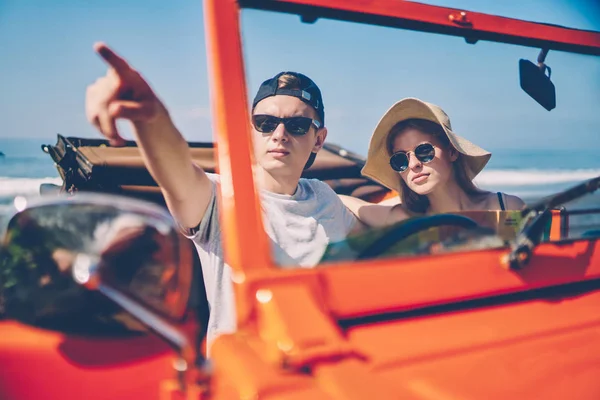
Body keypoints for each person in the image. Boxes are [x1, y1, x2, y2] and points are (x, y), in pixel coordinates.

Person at [85, 43, 359, 348]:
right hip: (244, 372)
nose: (279, 134)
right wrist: (150, 117)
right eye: (265, 124)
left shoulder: (325, 197)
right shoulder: (222, 195)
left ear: (318, 139)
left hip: (326, 357)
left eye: (297, 125)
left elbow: (387, 219)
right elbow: (176, 171)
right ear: (250, 130)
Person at [340, 97, 525, 227]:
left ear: (452, 151)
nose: (413, 165)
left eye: (424, 151)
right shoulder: (405, 221)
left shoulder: (505, 208)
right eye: (400, 159)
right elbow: (351, 204)